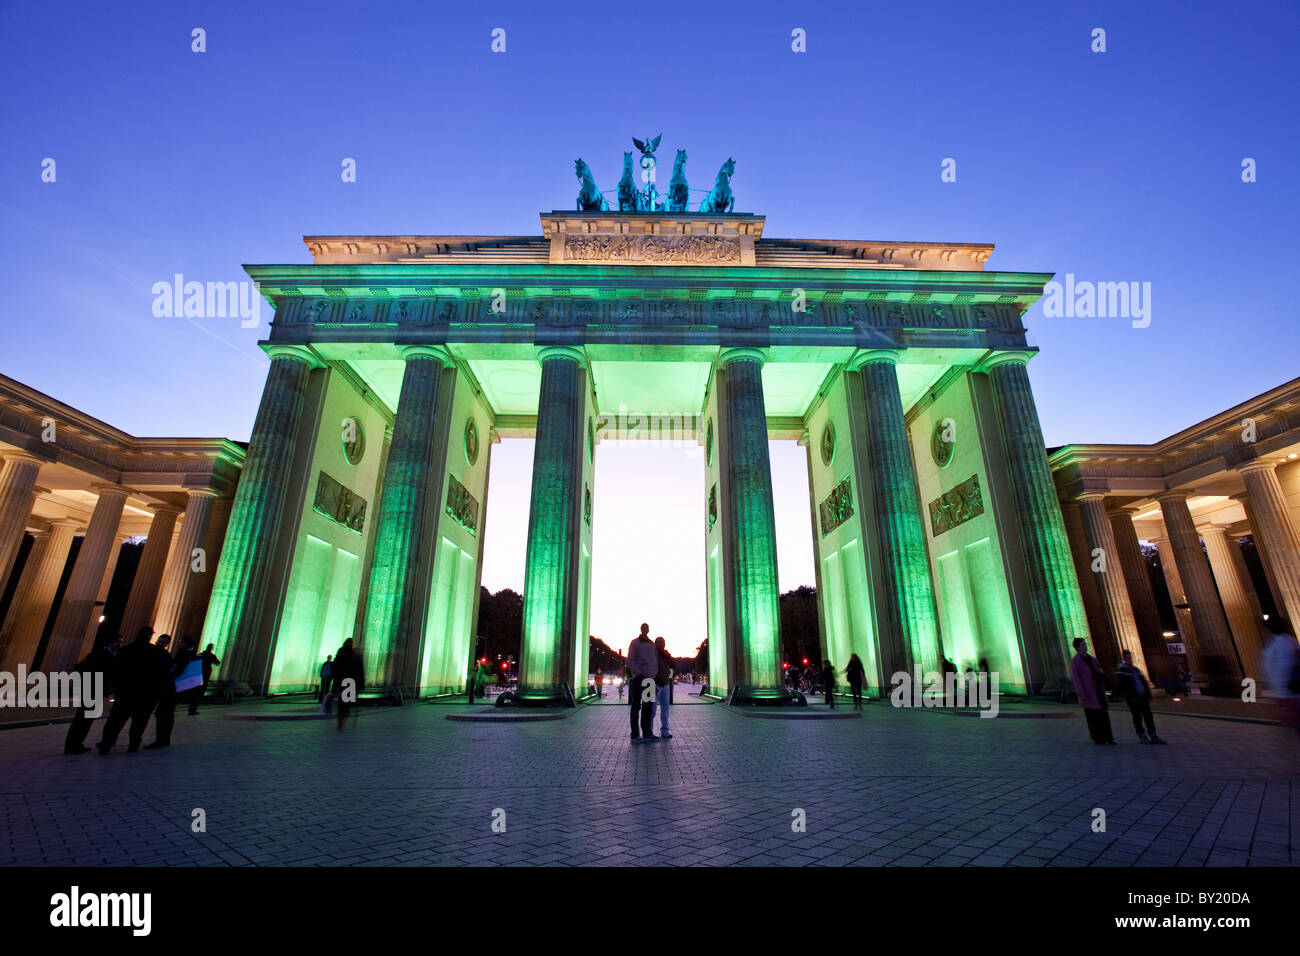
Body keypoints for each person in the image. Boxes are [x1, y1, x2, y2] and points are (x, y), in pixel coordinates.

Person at [97, 627, 166, 754]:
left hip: (126, 693)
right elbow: (160, 674)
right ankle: (133, 745)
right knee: (139, 723)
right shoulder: (155, 653)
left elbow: (116, 671)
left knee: (115, 721)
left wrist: (116, 688)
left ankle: (106, 744)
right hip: (145, 694)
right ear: (150, 636)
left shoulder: (125, 650)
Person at [65, 634, 121, 754]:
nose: (120, 645)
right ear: (110, 643)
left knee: (84, 719)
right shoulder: (102, 655)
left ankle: (75, 744)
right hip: (93, 690)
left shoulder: (104, 654)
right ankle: (73, 745)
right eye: (118, 642)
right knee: (83, 720)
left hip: (93, 690)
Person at [147, 635, 194, 749]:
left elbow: (175, 670)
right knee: (167, 714)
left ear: (187, 644)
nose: (179, 644)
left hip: (170, 688)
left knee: (163, 714)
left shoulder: (182, 655)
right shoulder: (189, 655)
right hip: (175, 688)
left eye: (181, 642)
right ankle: (164, 739)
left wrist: (166, 676)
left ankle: (161, 740)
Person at [1070, 638, 1115, 744]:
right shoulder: (1075, 662)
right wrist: (1081, 693)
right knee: (1093, 717)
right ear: (1077, 647)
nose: (1085, 646)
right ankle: (1098, 738)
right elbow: (1077, 679)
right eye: (1083, 644)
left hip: (1098, 690)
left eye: (1085, 644)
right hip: (1087, 693)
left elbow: (1100, 672)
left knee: (1104, 715)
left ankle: (1108, 737)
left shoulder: (1092, 659)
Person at [1115, 649, 1164, 744]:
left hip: (1142, 696)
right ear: (1124, 659)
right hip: (1133, 698)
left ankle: (1153, 734)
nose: (1130, 659)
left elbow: (1144, 682)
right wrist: (1129, 696)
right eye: (1128, 658)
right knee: (1137, 717)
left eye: (1130, 657)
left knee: (1148, 716)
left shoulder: (1136, 669)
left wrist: (1148, 694)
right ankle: (1142, 735)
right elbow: (1123, 686)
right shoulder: (1122, 671)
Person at [1262, 617, 1300, 730]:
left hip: (1287, 687)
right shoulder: (1289, 640)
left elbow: (1272, 666)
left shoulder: (1278, 643)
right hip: (1287, 687)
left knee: (1294, 719)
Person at [626, 624, 658, 743]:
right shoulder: (635, 643)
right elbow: (630, 659)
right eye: (644, 628)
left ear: (648, 630)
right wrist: (638, 673)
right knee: (636, 706)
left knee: (648, 707)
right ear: (641, 630)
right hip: (639, 679)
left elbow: (655, 660)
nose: (646, 630)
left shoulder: (651, 644)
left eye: (647, 628)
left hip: (649, 679)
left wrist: (654, 673)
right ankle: (635, 735)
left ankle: (647, 733)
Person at [331, 637, 364, 730]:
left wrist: (334, 677)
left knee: (342, 701)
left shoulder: (341, 652)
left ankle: (340, 719)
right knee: (347, 702)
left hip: (340, 680)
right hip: (350, 682)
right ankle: (342, 719)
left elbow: (335, 665)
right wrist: (361, 684)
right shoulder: (354, 655)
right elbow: (359, 671)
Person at [190, 643, 220, 715]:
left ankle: (191, 709)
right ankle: (193, 709)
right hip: (205, 676)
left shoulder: (200, 654)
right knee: (199, 693)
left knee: (195, 692)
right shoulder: (211, 655)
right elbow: (217, 663)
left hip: (197, 675)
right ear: (211, 648)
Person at [653, 636, 673, 739]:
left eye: (663, 643)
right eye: (660, 643)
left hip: (665, 684)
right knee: (652, 709)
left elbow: (673, 664)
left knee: (665, 709)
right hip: (654, 684)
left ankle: (665, 730)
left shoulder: (665, 654)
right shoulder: (652, 654)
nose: (662, 645)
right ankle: (649, 730)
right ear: (656, 644)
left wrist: (668, 657)